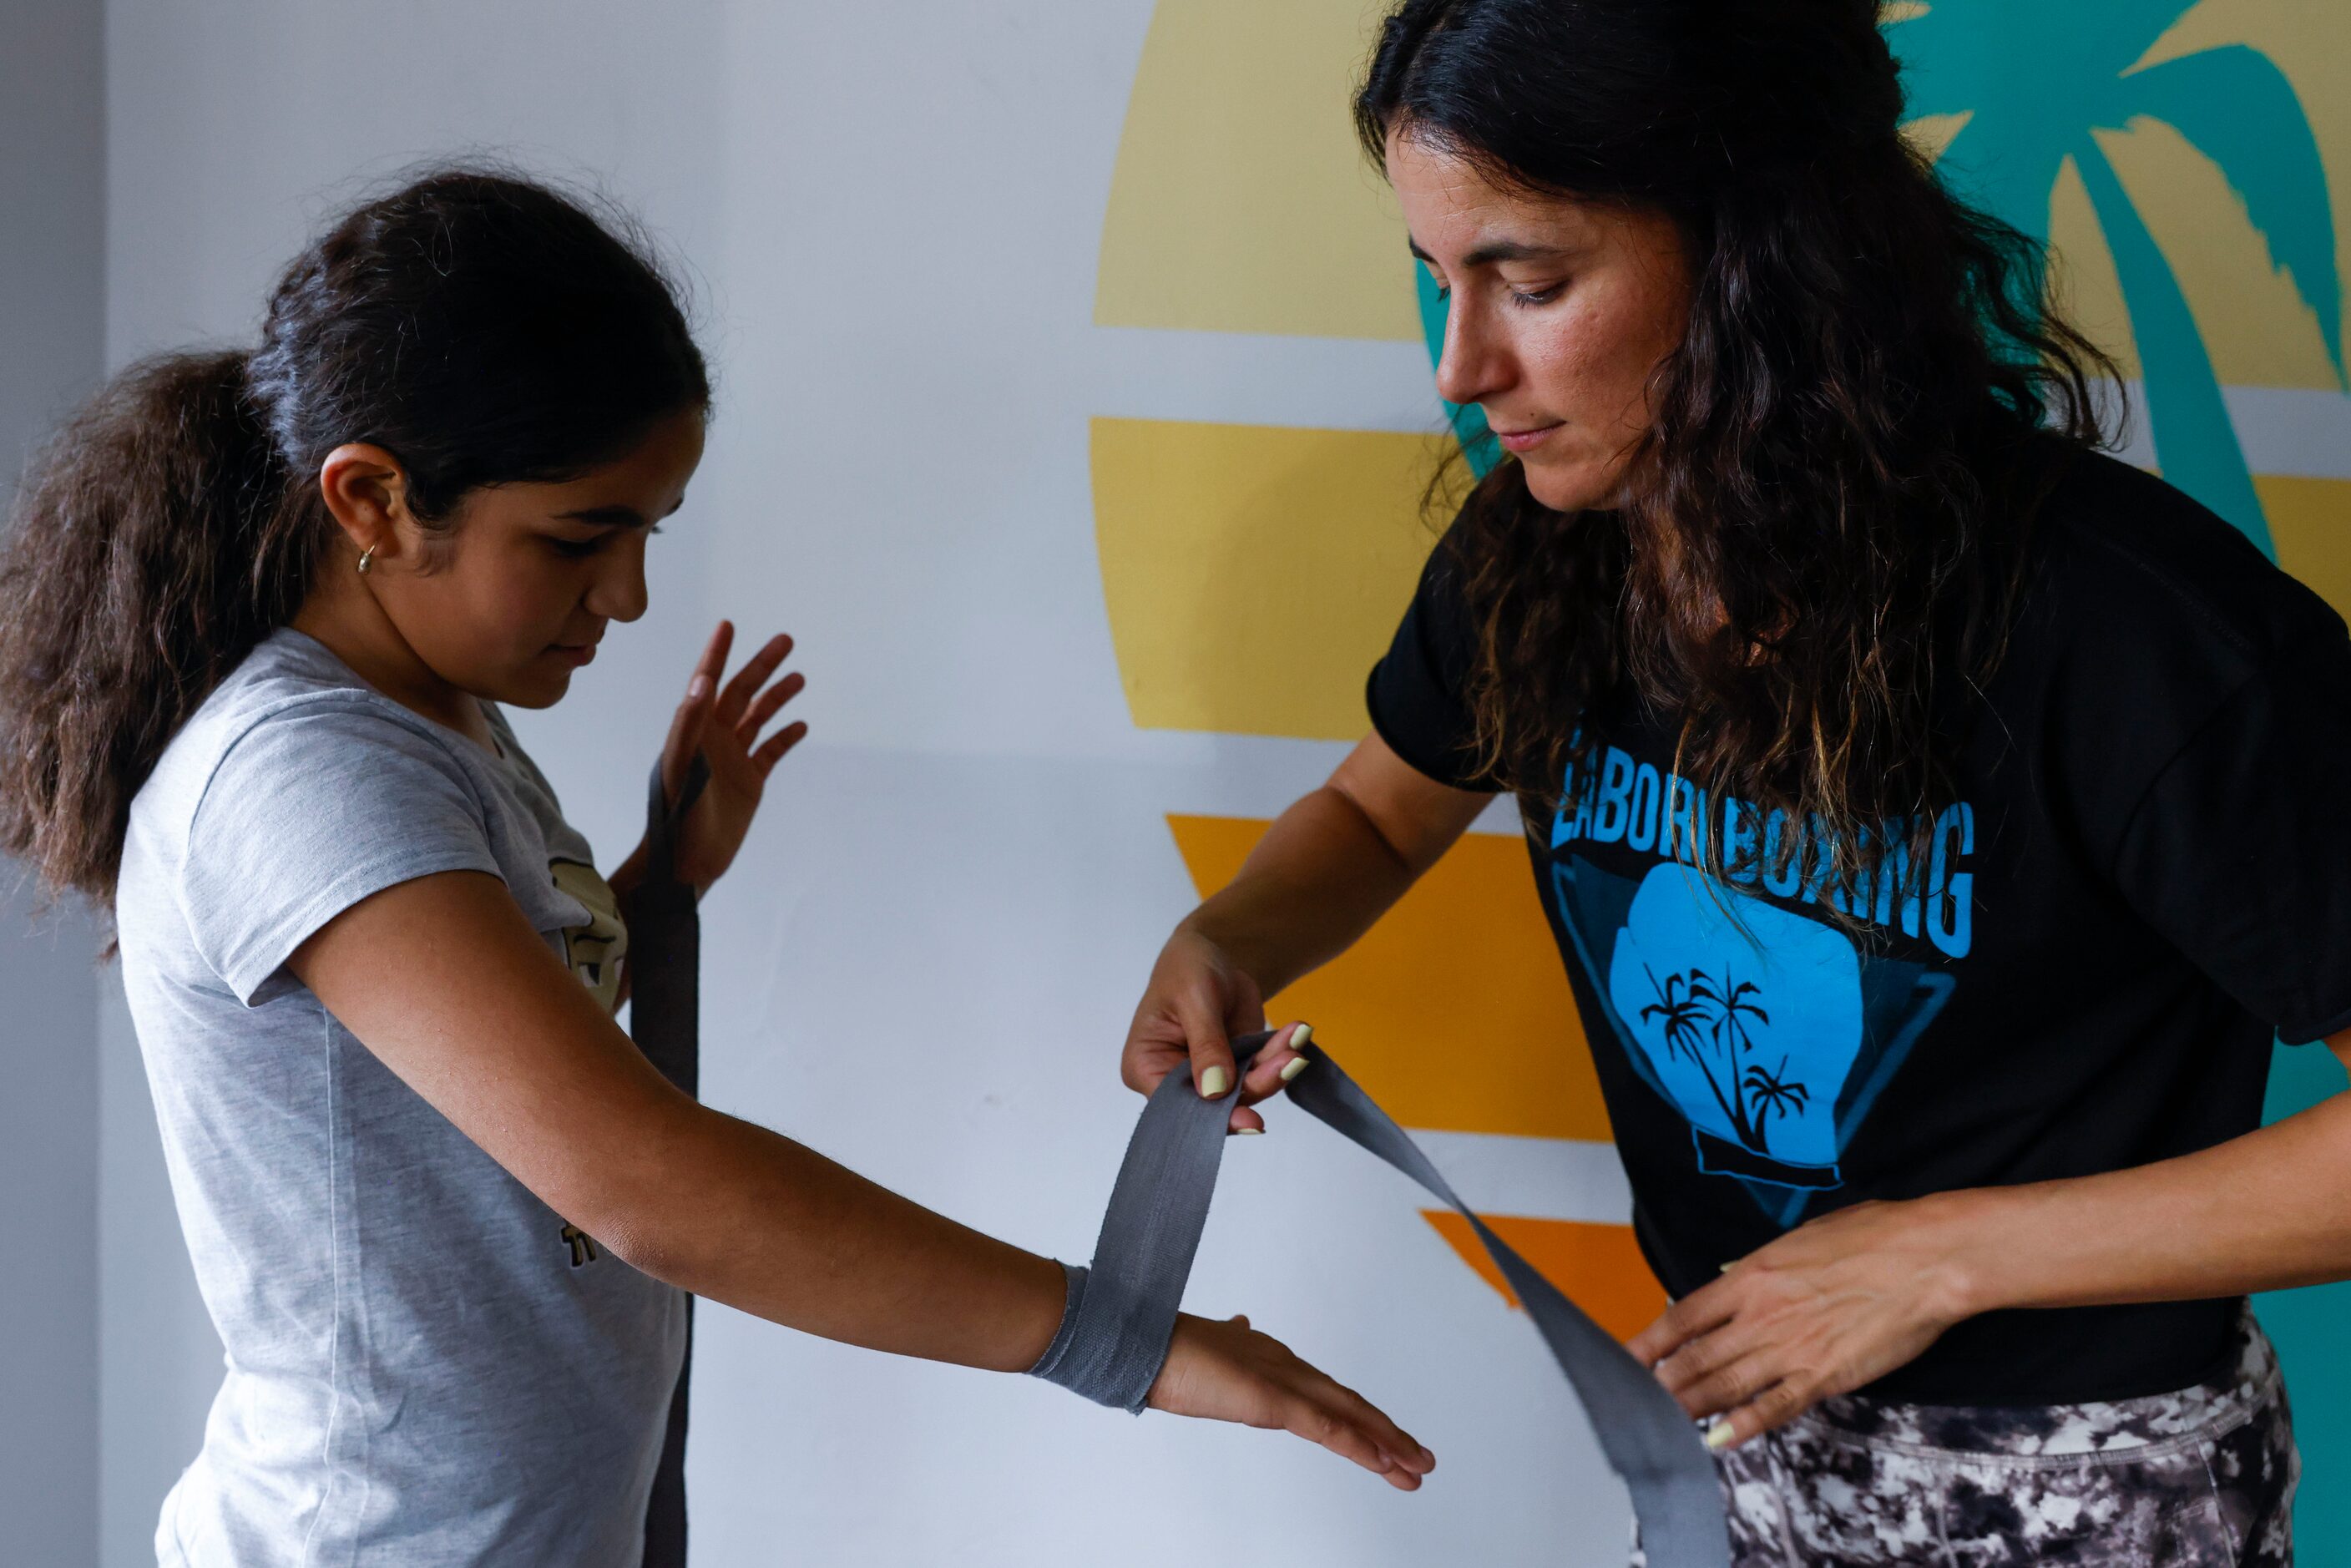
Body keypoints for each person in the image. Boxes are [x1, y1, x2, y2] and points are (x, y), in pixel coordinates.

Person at [0, 169, 1432, 1567]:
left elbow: (476, 1073)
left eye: (643, 533)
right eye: (579, 537)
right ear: (372, 499)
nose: (623, 595)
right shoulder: (299, 770)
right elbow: (641, 1179)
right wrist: (1125, 1337)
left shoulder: (427, 705)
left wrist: (653, 884)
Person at [1119, 2, 2348, 1562]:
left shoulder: (2128, 627)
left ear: (1764, 254)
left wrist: (1939, 1259)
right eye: (1438, 280)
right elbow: (1376, 811)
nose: (1461, 366)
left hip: (2086, 1475)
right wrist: (1235, 936)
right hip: (1733, 1449)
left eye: (1533, 281)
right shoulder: (1539, 548)